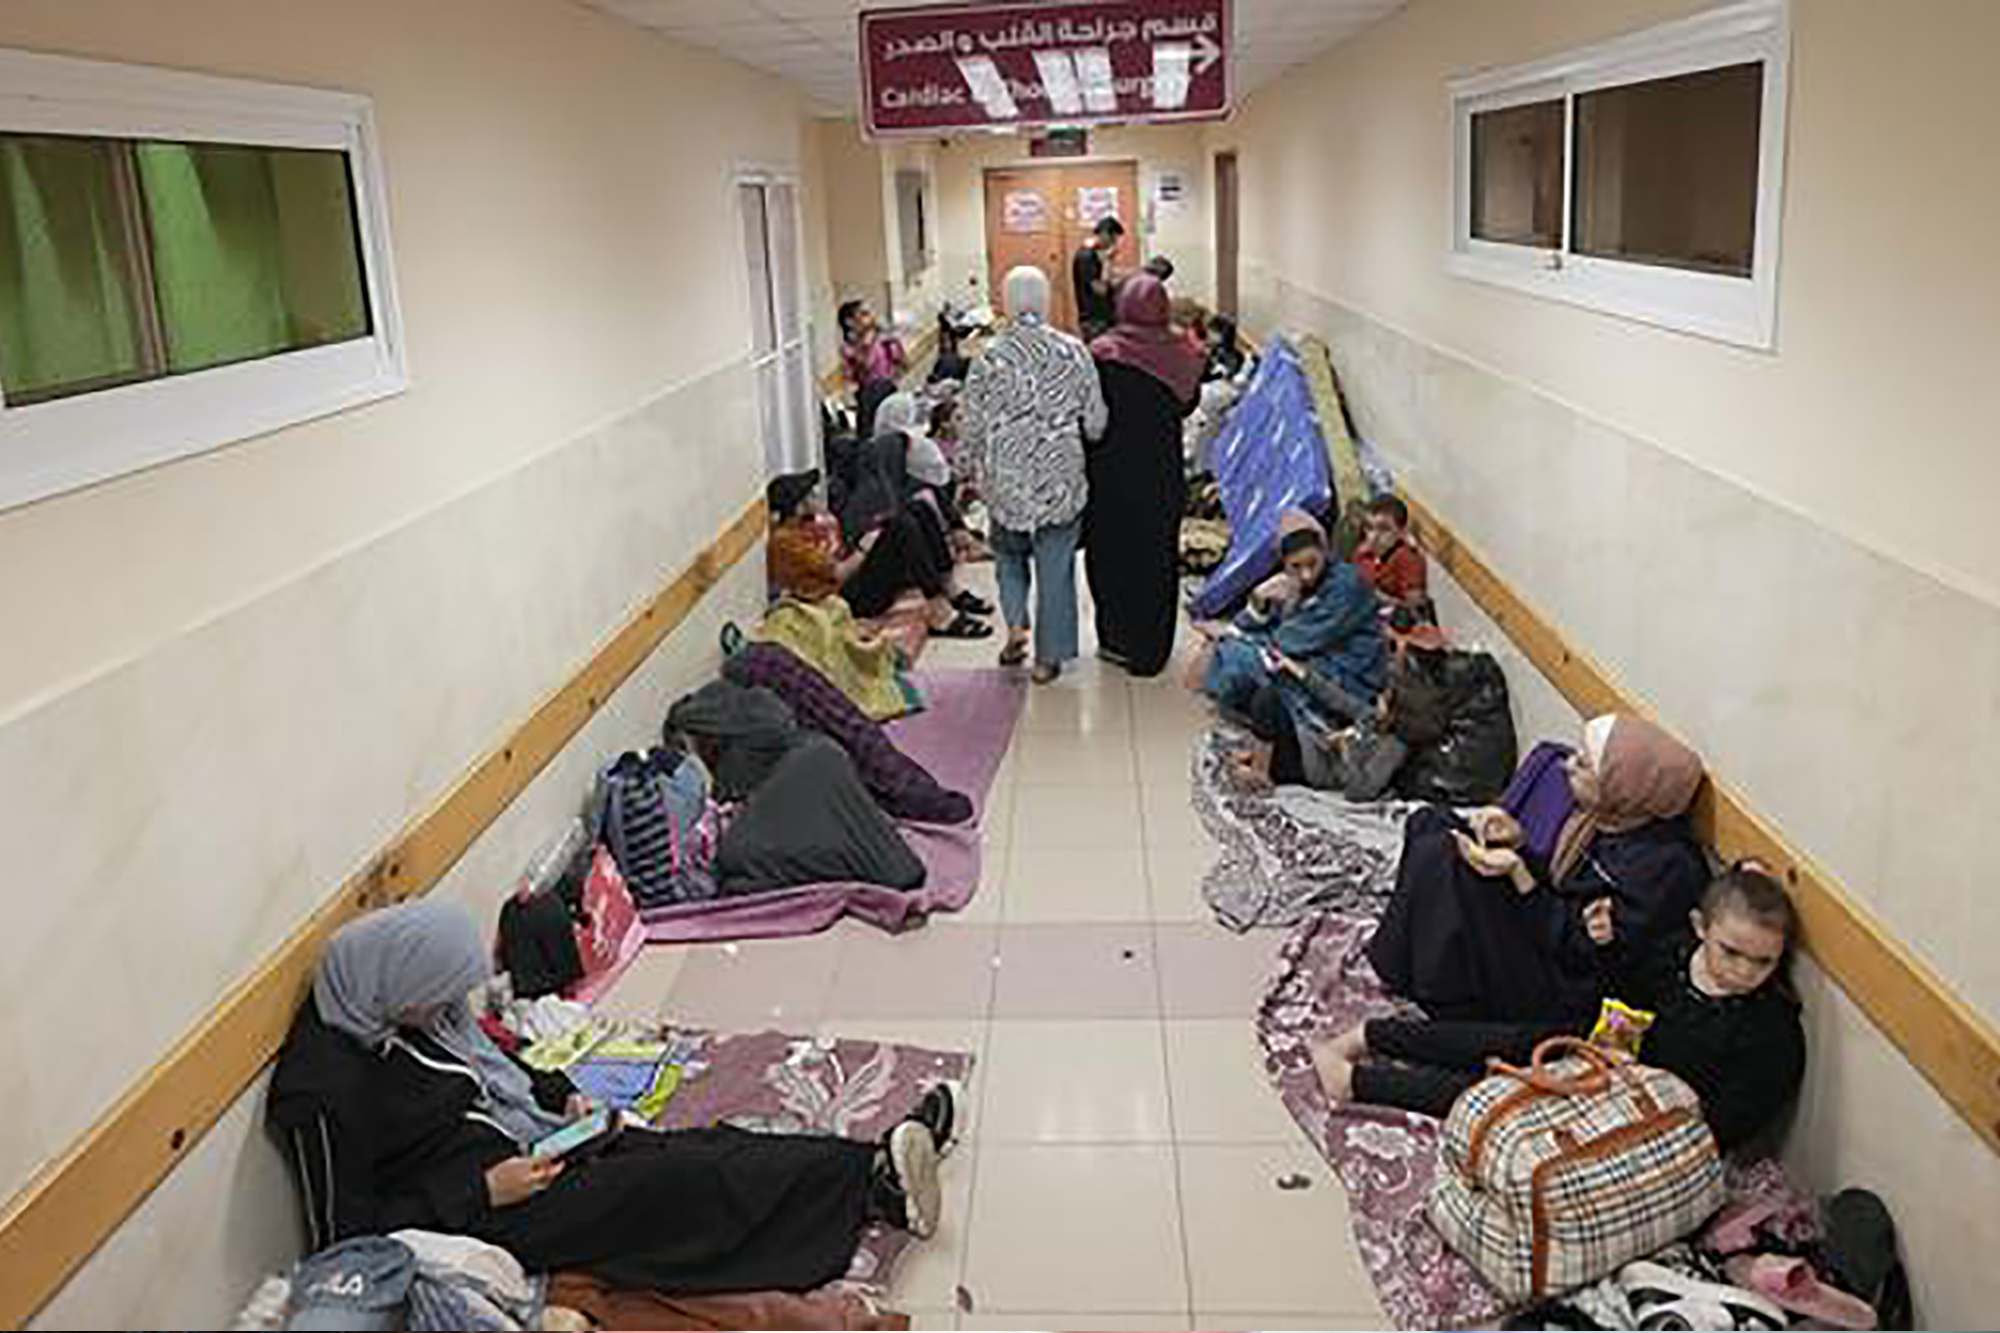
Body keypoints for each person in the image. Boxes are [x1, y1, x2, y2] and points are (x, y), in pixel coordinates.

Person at [268, 900, 955, 1294]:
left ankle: (870, 1165)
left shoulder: (403, 1011)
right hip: (490, 1211)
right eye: (438, 995)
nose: (450, 1008)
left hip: (533, 1150)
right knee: (674, 1182)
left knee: (704, 1143)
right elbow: (343, 1237)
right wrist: (484, 1190)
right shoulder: (323, 1091)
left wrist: (564, 1097)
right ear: (396, 983)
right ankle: (875, 1180)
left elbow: (503, 1059)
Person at [1316, 865, 1805, 1155]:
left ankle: (1359, 1082)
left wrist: (1641, 1092)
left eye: (1763, 962)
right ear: (1701, 928)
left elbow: (1727, 1123)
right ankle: (1372, 1036)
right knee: (1504, 1041)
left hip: (1646, 1112)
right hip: (1604, 1052)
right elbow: (1621, 995)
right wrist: (1608, 1022)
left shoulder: (1771, 1030)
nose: (1744, 972)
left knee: (1503, 1098)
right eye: (1731, 953)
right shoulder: (1674, 952)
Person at [1367, 713, 1710, 1023]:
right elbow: (1561, 889)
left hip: (1566, 988)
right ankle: (1408, 963)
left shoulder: (1665, 868)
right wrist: (1519, 844)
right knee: (1430, 821)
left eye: (1584, 764)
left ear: (1623, 784)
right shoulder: (1606, 819)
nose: (1567, 765)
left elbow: (1583, 949)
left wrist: (1519, 872)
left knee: (1446, 856)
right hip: (1548, 930)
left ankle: (1434, 993)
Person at [962, 265, 1108, 684]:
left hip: (1005, 481)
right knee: (1055, 567)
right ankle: (1049, 658)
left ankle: (1015, 630)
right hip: (1059, 481)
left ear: (1006, 302)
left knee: (1008, 557)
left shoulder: (988, 356)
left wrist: (965, 472)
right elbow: (1096, 423)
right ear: (1046, 300)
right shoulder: (1074, 351)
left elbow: (971, 424)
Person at [1084, 273, 1203, 677]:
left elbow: (1087, 416)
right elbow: (1187, 404)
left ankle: (1115, 640)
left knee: (1109, 555)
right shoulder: (1186, 352)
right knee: (1156, 559)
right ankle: (1151, 651)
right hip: (1160, 475)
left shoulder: (1102, 353)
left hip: (1109, 476)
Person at [1196, 509, 1387, 724]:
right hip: (1315, 654)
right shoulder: (1291, 581)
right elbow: (1264, 626)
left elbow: (1290, 642)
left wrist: (1233, 633)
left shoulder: (1346, 585)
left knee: (1237, 654)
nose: (1305, 574)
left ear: (1324, 551)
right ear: (1284, 563)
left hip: (1349, 676)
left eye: (1312, 563)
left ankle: (1283, 720)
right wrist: (1259, 599)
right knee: (1229, 648)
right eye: (1295, 566)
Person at [1228, 622, 1452, 797]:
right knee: (1274, 693)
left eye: (1385, 698)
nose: (1380, 698)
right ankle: (1260, 762)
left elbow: (1361, 791)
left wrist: (1344, 749)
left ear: (1399, 711)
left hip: (1312, 768)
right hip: (1314, 746)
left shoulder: (1394, 747)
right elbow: (1337, 698)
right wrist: (1296, 669)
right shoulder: (1375, 718)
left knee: (1268, 702)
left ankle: (1260, 774)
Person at [773, 458, 989, 639]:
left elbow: (840, 550)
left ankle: (949, 586)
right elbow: (838, 575)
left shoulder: (815, 522)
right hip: (846, 598)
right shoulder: (787, 542)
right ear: (798, 506)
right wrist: (865, 549)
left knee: (917, 509)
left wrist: (871, 534)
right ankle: (937, 611)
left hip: (855, 577)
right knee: (901, 527)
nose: (815, 497)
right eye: (810, 495)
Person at [1354, 495, 1431, 616]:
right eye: (1369, 528)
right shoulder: (1364, 552)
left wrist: (1375, 596)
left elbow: (1416, 611)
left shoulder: (1407, 559)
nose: (1373, 537)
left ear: (1402, 532)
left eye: (1384, 529)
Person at [1070, 216, 1125, 341]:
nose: (1114, 244)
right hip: (1094, 320)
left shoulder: (1095, 254)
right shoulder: (1086, 257)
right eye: (1114, 239)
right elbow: (1100, 289)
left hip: (1102, 319)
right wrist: (1107, 262)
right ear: (1105, 234)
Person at [839, 299, 907, 398]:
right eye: (864, 314)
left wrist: (893, 380)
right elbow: (851, 377)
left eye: (870, 312)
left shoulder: (886, 340)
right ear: (850, 321)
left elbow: (903, 364)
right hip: (866, 394)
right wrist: (864, 348)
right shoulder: (849, 349)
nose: (872, 317)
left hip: (889, 391)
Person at [1203, 314, 1247, 384]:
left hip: (1220, 357)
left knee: (1222, 348)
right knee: (1224, 350)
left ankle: (1224, 324)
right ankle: (1226, 325)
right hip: (1223, 359)